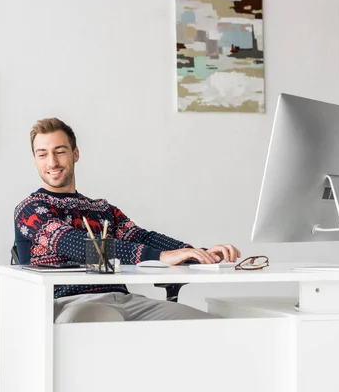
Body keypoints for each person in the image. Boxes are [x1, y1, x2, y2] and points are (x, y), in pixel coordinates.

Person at [14, 118, 242, 323]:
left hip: (124, 300)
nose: (51, 162)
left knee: (211, 327)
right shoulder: (31, 209)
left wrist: (198, 254)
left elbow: (143, 238)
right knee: (102, 321)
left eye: (60, 151)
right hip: (69, 303)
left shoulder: (101, 209)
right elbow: (76, 244)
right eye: (42, 154)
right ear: (35, 160)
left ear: (75, 154)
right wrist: (160, 257)